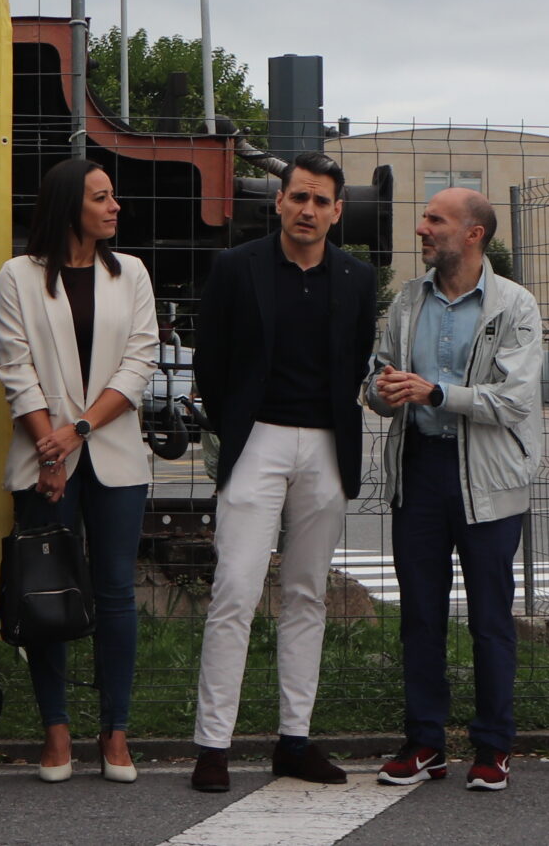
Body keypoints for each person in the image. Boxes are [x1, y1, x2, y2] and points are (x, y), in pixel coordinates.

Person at [188, 152, 380, 792]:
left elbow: (356, 357)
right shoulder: (236, 268)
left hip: (326, 446)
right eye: (299, 197)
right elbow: (211, 361)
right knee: (235, 590)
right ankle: (212, 747)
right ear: (279, 201)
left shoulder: (357, 278)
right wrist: (236, 426)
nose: (308, 210)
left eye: (321, 201)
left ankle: (294, 740)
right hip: (256, 442)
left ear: (337, 211)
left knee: (306, 593)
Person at [365, 188, 544, 794]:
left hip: (487, 475)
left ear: (474, 234)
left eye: (435, 220)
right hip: (418, 469)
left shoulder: (514, 304)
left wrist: (436, 393)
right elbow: (379, 374)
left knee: (490, 618)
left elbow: (514, 399)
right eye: (424, 218)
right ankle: (425, 743)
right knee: (420, 615)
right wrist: (381, 391)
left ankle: (494, 747)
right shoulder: (408, 299)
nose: (422, 228)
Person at [0, 158, 160, 784]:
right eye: (101, 197)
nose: (115, 207)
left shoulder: (131, 273)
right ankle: (56, 730)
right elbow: (16, 370)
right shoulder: (18, 275)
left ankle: (115, 732)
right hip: (44, 460)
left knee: (116, 591)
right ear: (69, 207)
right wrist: (51, 452)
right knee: (47, 588)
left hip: (113, 455)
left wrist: (77, 432)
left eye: (113, 196)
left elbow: (139, 363)